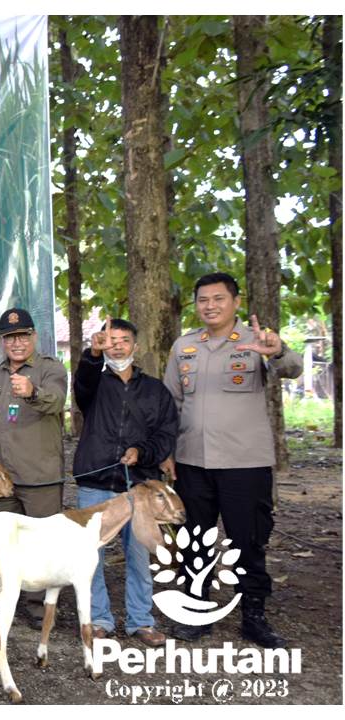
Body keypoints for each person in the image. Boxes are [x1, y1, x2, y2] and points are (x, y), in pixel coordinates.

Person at [163, 272, 303, 648]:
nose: (210, 306)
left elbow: (292, 369)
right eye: (203, 299)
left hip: (245, 462)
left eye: (218, 299)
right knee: (195, 539)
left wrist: (277, 351)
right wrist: (168, 453)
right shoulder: (184, 346)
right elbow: (170, 404)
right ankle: (196, 609)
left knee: (249, 539)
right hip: (193, 460)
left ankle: (253, 615)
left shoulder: (257, 341)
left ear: (235, 302)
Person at [73, 317, 178, 647]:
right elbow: (82, 383)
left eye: (123, 339)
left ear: (136, 346)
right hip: (96, 481)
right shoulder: (94, 384)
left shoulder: (156, 391)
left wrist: (142, 452)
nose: (116, 345)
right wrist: (92, 353)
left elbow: (166, 435)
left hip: (140, 488)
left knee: (138, 555)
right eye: (110, 339)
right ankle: (99, 619)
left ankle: (141, 620)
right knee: (91, 556)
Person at [0, 307, 67, 625]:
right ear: (3, 341)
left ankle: (37, 605)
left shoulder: (50, 369)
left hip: (40, 476)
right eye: (10, 337)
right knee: (5, 543)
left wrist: (32, 392)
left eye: (23, 336)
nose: (17, 343)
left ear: (34, 337)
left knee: (42, 544)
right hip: (4, 478)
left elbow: (56, 402)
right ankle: (6, 596)